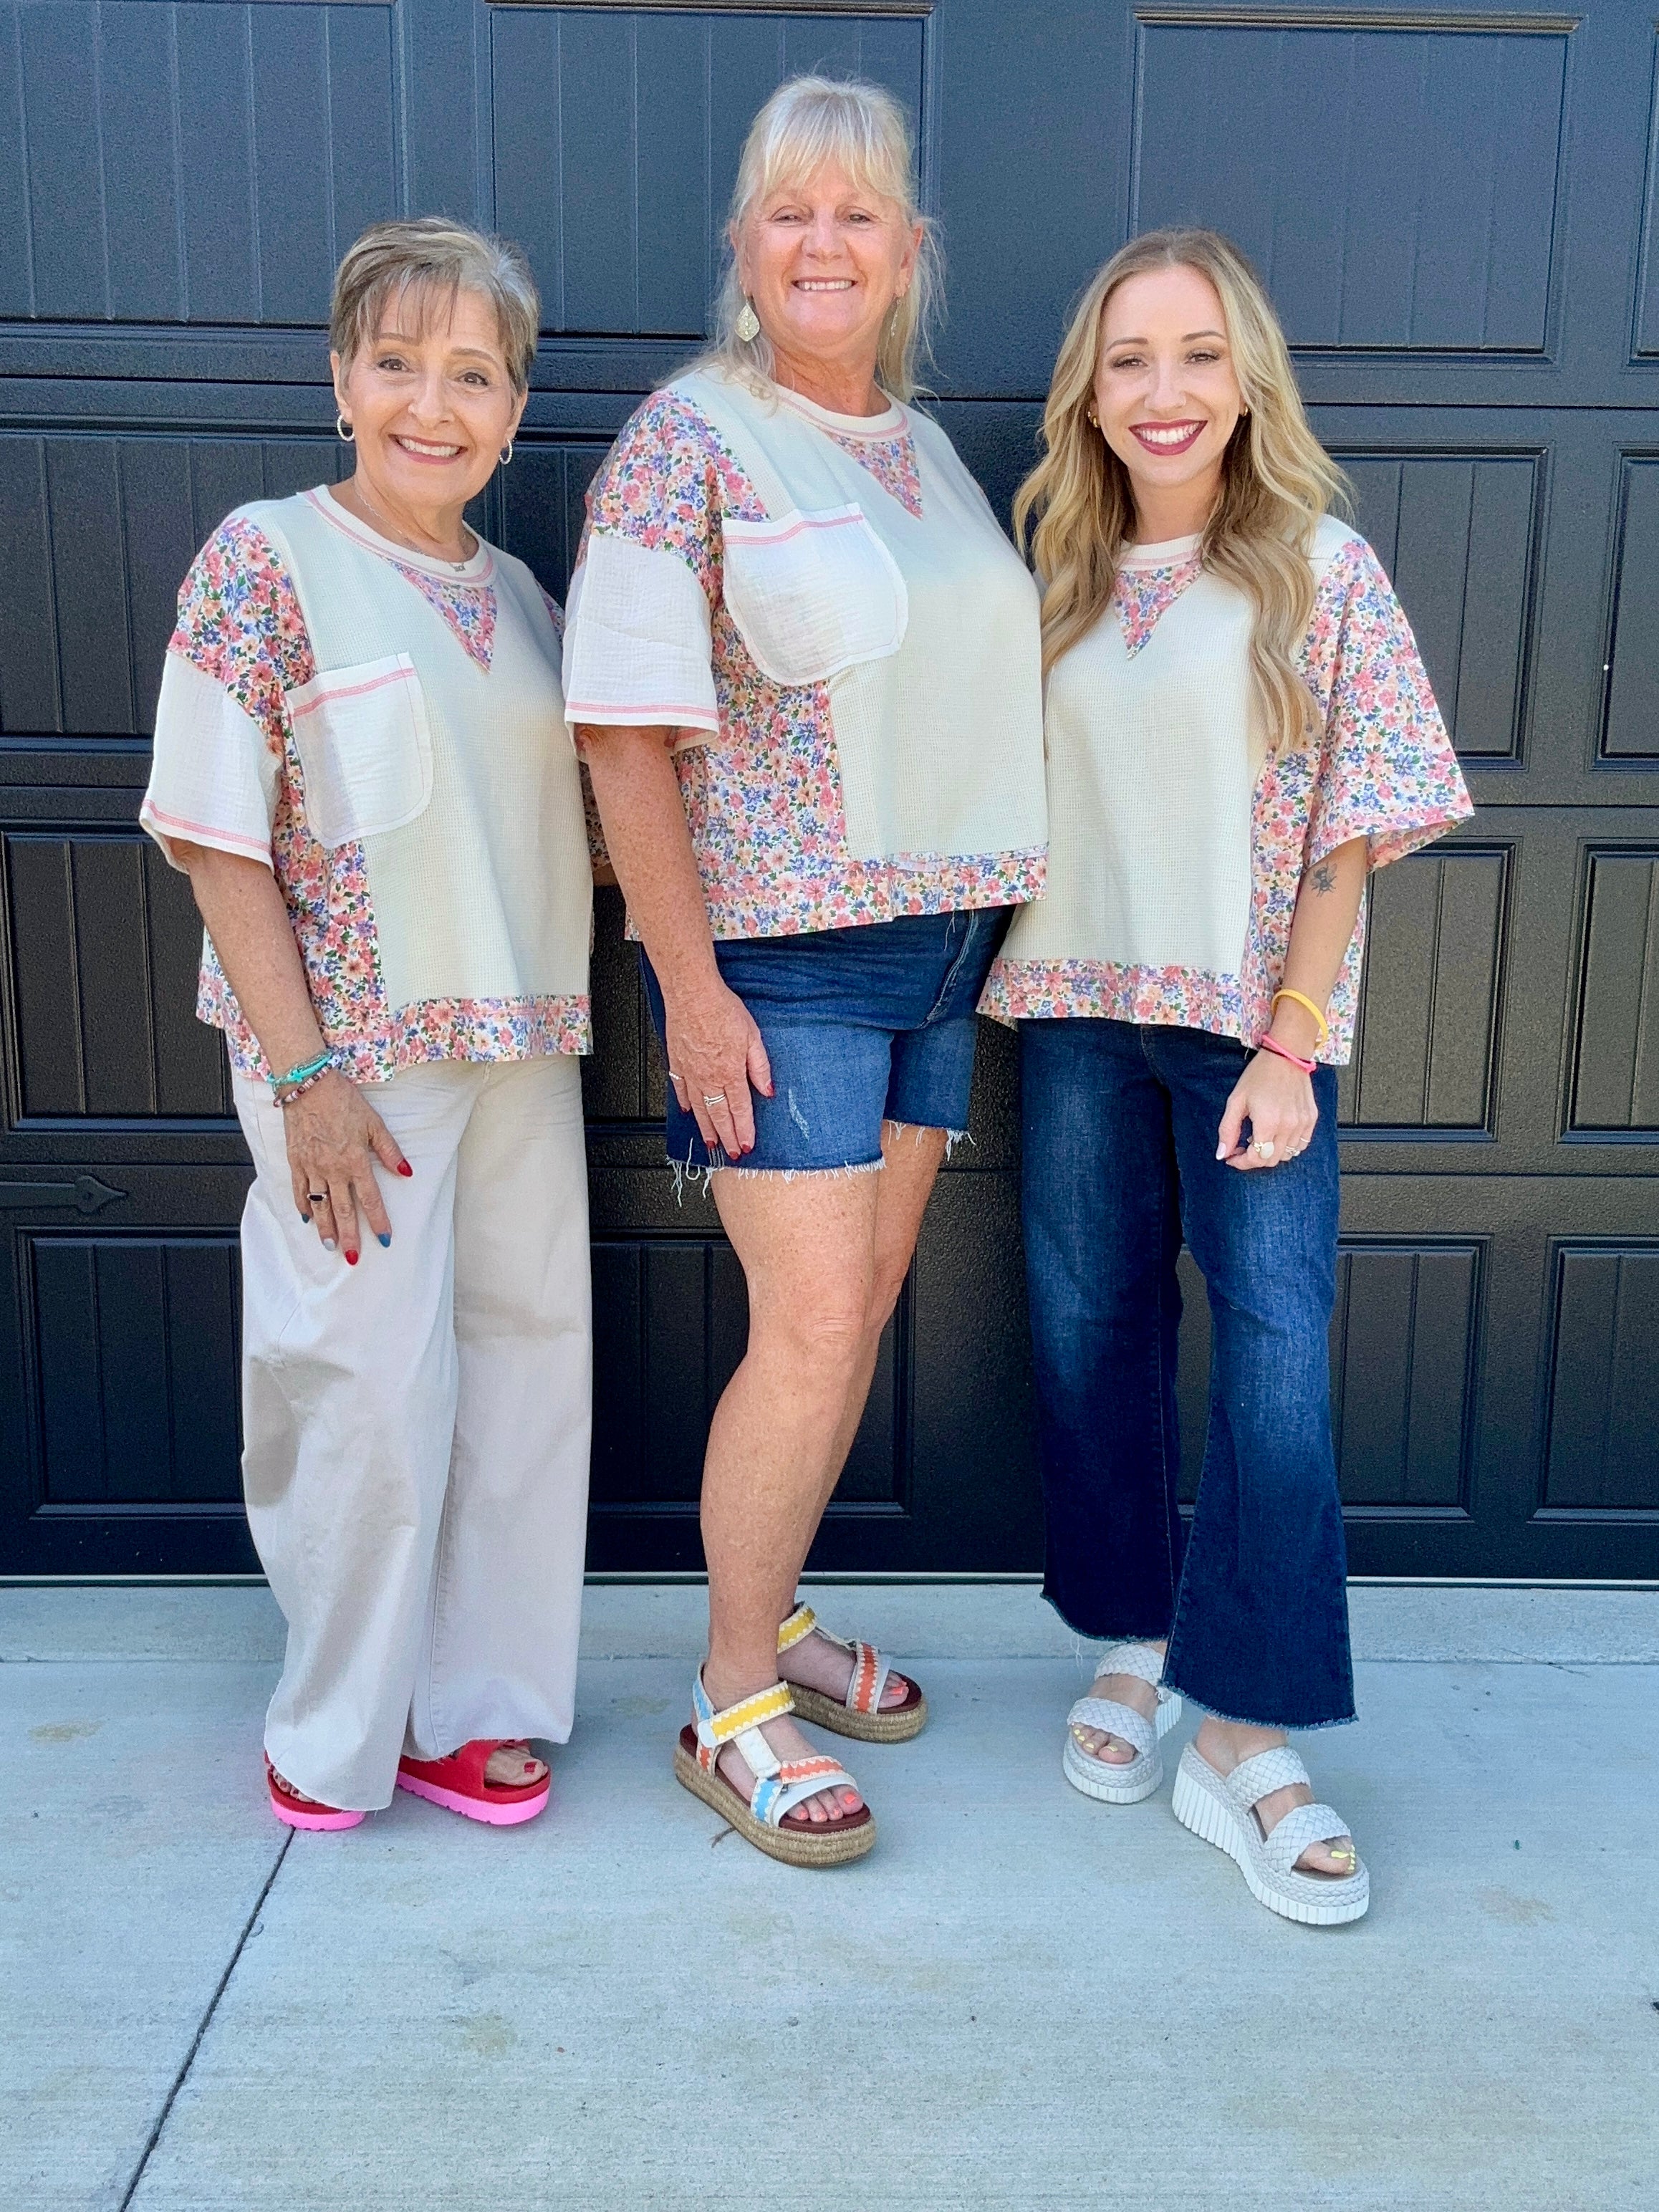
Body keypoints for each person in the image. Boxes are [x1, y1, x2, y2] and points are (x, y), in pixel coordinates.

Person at [564, 76, 1047, 1865]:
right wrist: (689, 989)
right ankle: (727, 1698)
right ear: (743, 247)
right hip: (784, 958)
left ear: (910, 249)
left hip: (942, 948)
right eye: (790, 210)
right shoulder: (688, 441)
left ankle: (768, 1618)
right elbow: (621, 734)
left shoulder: (924, 454)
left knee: (872, 1292)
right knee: (816, 1321)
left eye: (859, 212)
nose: (824, 241)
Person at [981, 229, 1472, 1924]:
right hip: (1072, 1009)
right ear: (1090, 391)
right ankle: (1133, 1632)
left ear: (1247, 377)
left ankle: (1247, 1728)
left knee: (1271, 1354)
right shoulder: (1053, 572)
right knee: (1087, 1331)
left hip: (1248, 1027)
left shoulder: (1318, 568)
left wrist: (1294, 1036)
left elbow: (1355, 822)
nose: (1165, 390)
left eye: (1198, 354)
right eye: (1131, 358)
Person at [140, 219, 594, 1831]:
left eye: (472, 373)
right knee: (363, 1396)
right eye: (397, 363)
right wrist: (307, 1074)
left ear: (514, 409)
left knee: (526, 1376)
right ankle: (337, 1727)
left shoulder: (525, 598)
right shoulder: (266, 557)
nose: (431, 403)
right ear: (342, 379)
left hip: (522, 1042)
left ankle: (469, 1709)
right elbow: (213, 833)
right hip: (351, 1063)